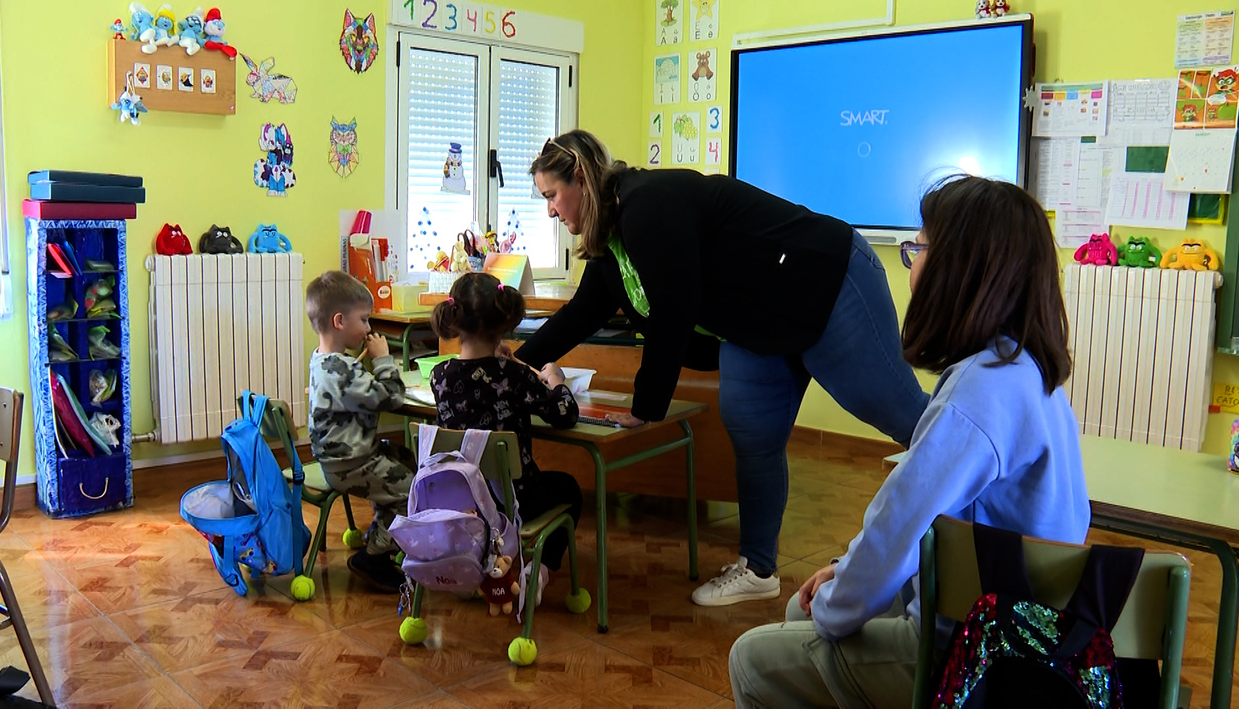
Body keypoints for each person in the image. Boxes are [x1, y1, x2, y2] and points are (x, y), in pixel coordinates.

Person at [515, 129, 931, 606]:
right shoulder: (610, 239)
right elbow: (580, 314)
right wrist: (509, 362)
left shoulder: (647, 206)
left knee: (898, 412)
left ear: (582, 179)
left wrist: (645, 407)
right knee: (751, 431)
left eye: (552, 195)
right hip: (755, 320)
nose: (550, 209)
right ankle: (758, 569)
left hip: (824, 278)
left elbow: (673, 309)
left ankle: (985, 510)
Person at [726, 175, 1092, 708]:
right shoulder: (1032, 373)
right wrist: (844, 576)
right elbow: (929, 533)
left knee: (754, 656)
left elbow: (898, 526)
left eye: (918, 246)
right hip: (1033, 637)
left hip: (971, 659)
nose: (911, 260)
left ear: (960, 269)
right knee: (804, 613)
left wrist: (832, 603)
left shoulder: (978, 392)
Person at [429, 272, 584, 603]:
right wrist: (555, 381)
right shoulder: (513, 376)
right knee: (570, 489)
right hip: (514, 502)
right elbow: (565, 415)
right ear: (504, 323)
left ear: (455, 321)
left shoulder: (439, 376)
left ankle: (485, 567)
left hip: (462, 502)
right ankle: (537, 571)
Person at [305, 270, 417, 593]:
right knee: (412, 490)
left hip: (350, 456)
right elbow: (392, 398)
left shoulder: (324, 361)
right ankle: (373, 556)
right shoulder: (341, 370)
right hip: (351, 464)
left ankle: (383, 533)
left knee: (407, 460)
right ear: (340, 321)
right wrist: (383, 360)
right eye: (364, 320)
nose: (368, 328)